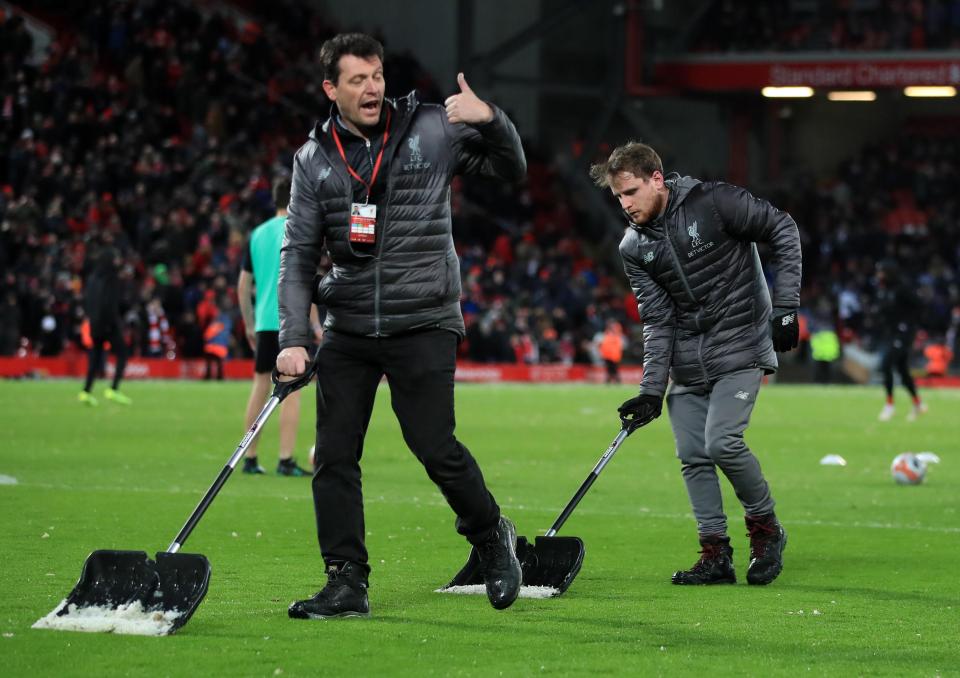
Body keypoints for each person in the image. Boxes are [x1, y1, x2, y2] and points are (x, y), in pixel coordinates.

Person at [276, 33, 526, 618]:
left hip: (424, 318)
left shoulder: (432, 128)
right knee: (333, 455)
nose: (371, 88)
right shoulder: (313, 159)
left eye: (377, 76)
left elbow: (510, 170)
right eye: (357, 79)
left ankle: (492, 536)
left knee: (434, 446)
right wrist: (292, 337)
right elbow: (298, 254)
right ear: (330, 89)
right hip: (350, 324)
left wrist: (491, 119)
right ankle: (346, 582)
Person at [590, 141, 801, 586]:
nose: (626, 205)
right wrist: (651, 390)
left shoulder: (715, 202)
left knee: (722, 443)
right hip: (687, 359)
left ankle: (765, 531)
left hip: (741, 344)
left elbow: (783, 228)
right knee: (693, 456)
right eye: (618, 198)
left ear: (657, 179)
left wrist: (786, 307)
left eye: (631, 192)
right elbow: (657, 318)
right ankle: (715, 555)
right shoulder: (633, 247)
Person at [238, 177, 313, 477]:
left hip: (264, 323)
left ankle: (250, 457)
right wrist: (316, 323)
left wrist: (248, 324)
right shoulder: (299, 229)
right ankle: (285, 459)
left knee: (259, 386)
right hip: (291, 321)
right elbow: (305, 281)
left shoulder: (257, 234)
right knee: (292, 391)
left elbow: (243, 285)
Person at [79, 241, 132, 406]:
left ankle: (86, 392)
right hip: (108, 322)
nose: (118, 262)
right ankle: (114, 389)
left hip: (94, 323)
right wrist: (111, 322)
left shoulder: (93, 278)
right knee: (122, 352)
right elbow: (110, 302)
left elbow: (88, 301)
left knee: (95, 357)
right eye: (116, 259)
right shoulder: (112, 278)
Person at [873, 260, 927, 422]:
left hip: (902, 335)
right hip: (891, 334)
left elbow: (920, 305)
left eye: (881, 271)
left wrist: (909, 325)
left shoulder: (902, 289)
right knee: (902, 371)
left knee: (885, 364)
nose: (878, 275)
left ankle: (890, 405)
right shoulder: (883, 290)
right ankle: (918, 404)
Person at [597, 319, 625, 384]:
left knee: (613, 369)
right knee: (610, 369)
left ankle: (614, 380)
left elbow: (618, 346)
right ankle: (611, 380)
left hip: (613, 356)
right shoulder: (608, 334)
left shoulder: (616, 334)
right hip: (608, 355)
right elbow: (604, 345)